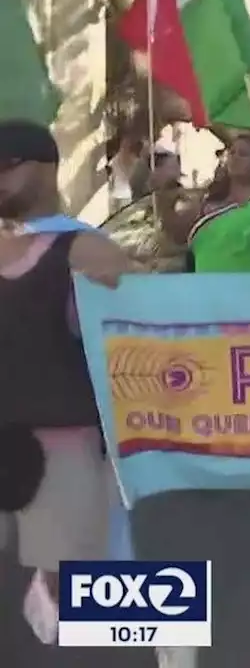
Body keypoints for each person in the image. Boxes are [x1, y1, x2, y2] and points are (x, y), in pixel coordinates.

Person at [0, 121, 133, 639]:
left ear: (47, 168)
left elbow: (146, 336)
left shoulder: (87, 249)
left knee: (91, 608)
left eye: (8, 165)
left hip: (64, 443)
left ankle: (167, 642)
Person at [155, 134, 250, 273]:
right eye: (232, 152)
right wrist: (166, 202)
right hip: (208, 285)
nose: (235, 157)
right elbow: (177, 234)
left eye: (243, 154)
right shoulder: (211, 201)